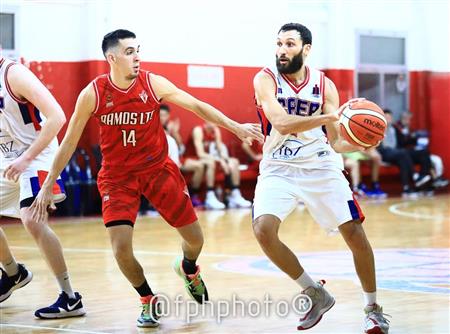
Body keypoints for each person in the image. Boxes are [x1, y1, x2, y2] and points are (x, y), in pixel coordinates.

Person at [30, 29, 262, 328]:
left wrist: (235, 127)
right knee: (120, 248)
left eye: (137, 50)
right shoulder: (94, 93)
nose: (137, 56)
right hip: (117, 177)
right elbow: (69, 142)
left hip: (157, 170)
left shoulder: (153, 83)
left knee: (194, 239)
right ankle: (147, 299)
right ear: (111, 58)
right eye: (129, 52)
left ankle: (188, 268)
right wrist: (48, 183)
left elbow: (196, 106)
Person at [252, 23, 390, 333]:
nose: (281, 50)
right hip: (279, 165)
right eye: (278, 44)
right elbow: (282, 123)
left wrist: (362, 145)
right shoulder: (265, 79)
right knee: (263, 230)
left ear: (306, 49)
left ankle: (372, 308)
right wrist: (331, 116)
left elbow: (337, 140)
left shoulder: (324, 84)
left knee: (354, 233)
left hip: (321, 165)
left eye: (289, 44)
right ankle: (314, 292)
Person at [0, 57, 85, 318]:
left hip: (38, 152)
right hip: (9, 155)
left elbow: (57, 116)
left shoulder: (13, 74)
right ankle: (14, 272)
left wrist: (26, 158)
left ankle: (70, 297)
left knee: (32, 219)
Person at [191, 122, 252, 208]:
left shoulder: (215, 130)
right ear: (205, 119)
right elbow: (200, 153)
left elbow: (220, 150)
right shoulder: (198, 130)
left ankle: (235, 195)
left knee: (234, 162)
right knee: (211, 163)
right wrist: (220, 160)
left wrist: (225, 160)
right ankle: (210, 196)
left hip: (210, 158)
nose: (214, 122)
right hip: (194, 158)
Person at [160, 104, 209, 207]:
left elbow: (181, 147)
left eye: (164, 115)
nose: (162, 118)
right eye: (160, 115)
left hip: (177, 158)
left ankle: (193, 196)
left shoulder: (171, 127)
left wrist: (175, 133)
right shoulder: (154, 127)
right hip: (162, 160)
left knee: (199, 166)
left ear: (168, 116)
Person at [395, 111, 448, 189]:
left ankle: (426, 178)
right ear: (403, 118)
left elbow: (412, 140)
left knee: (425, 154)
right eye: (407, 119)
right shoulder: (396, 127)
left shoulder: (408, 128)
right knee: (424, 153)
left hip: (409, 152)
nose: (409, 121)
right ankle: (429, 178)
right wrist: (413, 136)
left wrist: (419, 137)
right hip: (401, 153)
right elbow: (401, 142)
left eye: (409, 119)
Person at [377, 110, 425, 197]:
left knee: (403, 159)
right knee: (403, 153)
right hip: (384, 153)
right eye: (386, 117)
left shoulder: (394, 129)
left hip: (396, 152)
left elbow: (403, 141)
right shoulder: (378, 128)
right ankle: (415, 175)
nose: (388, 119)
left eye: (390, 117)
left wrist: (414, 137)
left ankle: (406, 188)